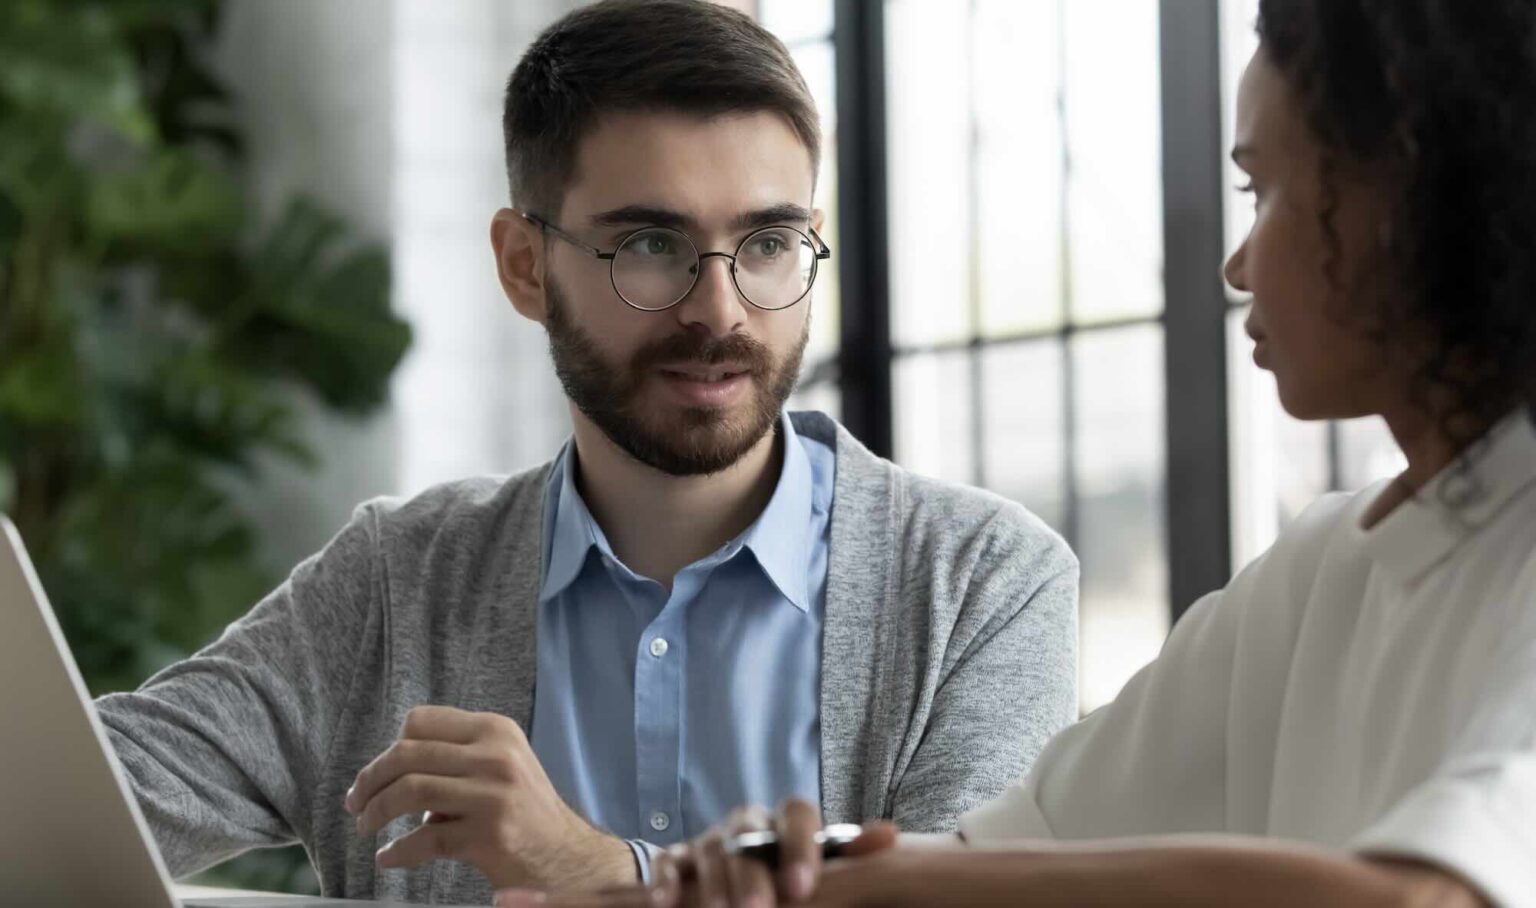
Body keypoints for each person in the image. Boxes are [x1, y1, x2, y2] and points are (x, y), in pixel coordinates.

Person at [522, 0, 1536, 905]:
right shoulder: (1321, 571)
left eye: (1262, 193)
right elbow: (997, 850)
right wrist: (741, 877)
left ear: (1401, 199)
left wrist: (847, 878)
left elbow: (1427, 895)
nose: (1235, 261)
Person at [92, 1, 1079, 904]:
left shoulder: (981, 582)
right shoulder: (397, 584)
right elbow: (89, 789)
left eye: (768, 243)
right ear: (526, 265)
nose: (720, 309)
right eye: (652, 245)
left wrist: (598, 869)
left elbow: (967, 892)